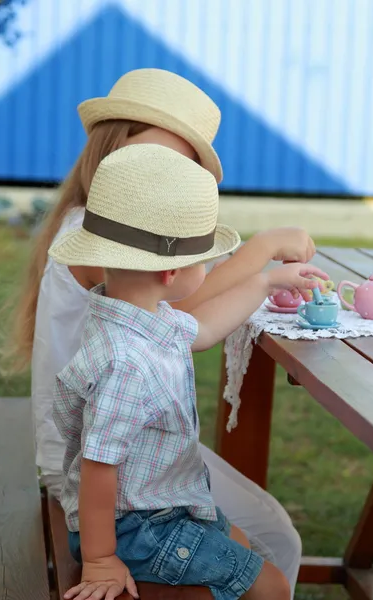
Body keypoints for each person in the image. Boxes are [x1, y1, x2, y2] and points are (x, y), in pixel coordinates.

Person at [0, 68, 315, 596]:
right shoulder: (101, 248)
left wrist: (262, 279)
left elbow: (196, 320)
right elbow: (192, 298)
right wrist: (259, 252)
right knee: (274, 540)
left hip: (130, 448)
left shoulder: (105, 242)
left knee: (262, 531)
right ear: (117, 149)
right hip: (106, 479)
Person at [49, 144, 327, 600]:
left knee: (243, 548)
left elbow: (203, 331)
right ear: (172, 272)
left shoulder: (134, 313)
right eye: (205, 260)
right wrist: (100, 560)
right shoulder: (127, 363)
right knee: (272, 587)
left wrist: (264, 283)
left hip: (165, 501)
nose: (209, 268)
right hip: (134, 527)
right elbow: (99, 466)